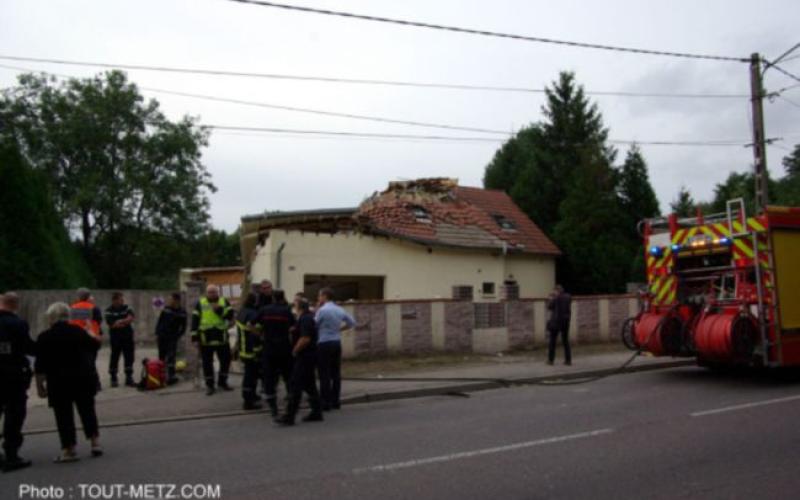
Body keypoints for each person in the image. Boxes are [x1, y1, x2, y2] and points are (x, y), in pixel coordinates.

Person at [35, 302, 103, 463]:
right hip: (83, 378)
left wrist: (40, 387)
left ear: (51, 317)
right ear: (68, 316)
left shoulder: (44, 337)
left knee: (63, 415)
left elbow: (40, 365)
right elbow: (95, 345)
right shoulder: (78, 331)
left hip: (58, 382)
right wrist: (89, 331)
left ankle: (69, 450)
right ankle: (95, 443)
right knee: (87, 410)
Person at [0, 292, 35, 472]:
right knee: (14, 415)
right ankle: (11, 455)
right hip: (13, 375)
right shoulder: (18, 324)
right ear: (15, 305)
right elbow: (28, 348)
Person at [276, 297, 323, 426]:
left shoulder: (306, 318)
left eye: (295, 305)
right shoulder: (304, 318)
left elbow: (305, 338)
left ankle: (289, 416)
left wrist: (295, 350)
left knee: (295, 385)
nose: (293, 307)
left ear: (300, 307)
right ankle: (317, 412)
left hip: (305, 356)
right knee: (309, 385)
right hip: (309, 356)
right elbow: (299, 331)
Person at [315, 288, 355, 411]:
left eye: (319, 296)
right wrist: (340, 329)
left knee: (324, 373)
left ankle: (325, 402)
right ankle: (335, 401)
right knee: (335, 373)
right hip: (336, 342)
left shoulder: (322, 310)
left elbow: (314, 325)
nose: (318, 298)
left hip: (324, 343)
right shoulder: (339, 309)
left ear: (325, 296)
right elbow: (352, 323)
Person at [256, 289, 294, 417]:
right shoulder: (287, 311)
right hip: (284, 348)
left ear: (272, 298)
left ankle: (273, 408)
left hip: (269, 349)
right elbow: (293, 327)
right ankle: (290, 402)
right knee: (288, 375)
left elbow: (251, 324)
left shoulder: (264, 310)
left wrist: (260, 334)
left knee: (269, 378)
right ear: (283, 298)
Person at [191, 285, 234, 396]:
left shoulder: (224, 301)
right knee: (207, 363)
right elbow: (194, 321)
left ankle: (222, 382)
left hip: (221, 337)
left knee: (226, 361)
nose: (212, 294)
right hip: (206, 338)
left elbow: (230, 316)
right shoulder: (200, 303)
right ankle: (210, 386)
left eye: (214, 292)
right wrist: (194, 338)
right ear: (206, 293)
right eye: (210, 292)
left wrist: (220, 311)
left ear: (217, 292)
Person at [69, 288, 103, 390]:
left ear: (79, 296)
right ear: (88, 296)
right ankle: (95, 383)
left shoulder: (72, 308)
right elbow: (98, 323)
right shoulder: (94, 308)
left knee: (78, 362)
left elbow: (70, 323)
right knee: (91, 362)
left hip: (77, 338)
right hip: (92, 338)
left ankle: (82, 383)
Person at [235, 292, 263, 410]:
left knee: (251, 374)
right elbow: (256, 332)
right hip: (252, 349)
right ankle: (248, 402)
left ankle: (252, 396)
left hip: (243, 348)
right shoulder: (253, 314)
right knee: (250, 376)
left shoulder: (242, 311)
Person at [155, 293, 187, 385]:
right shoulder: (166, 309)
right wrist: (157, 333)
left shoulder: (182, 312)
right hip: (162, 336)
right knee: (161, 356)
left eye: (171, 299)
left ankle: (171, 376)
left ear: (176, 300)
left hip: (172, 337)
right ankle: (160, 375)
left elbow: (183, 327)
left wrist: (178, 335)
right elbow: (159, 322)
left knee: (171, 357)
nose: (169, 301)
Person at [105, 292, 136, 387]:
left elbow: (130, 318)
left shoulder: (127, 308)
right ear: (114, 300)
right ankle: (113, 378)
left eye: (122, 299)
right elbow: (112, 324)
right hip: (115, 338)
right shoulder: (108, 310)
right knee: (114, 356)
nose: (122, 301)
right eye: (120, 299)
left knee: (129, 356)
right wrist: (122, 322)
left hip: (127, 337)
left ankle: (129, 377)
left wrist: (120, 321)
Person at [547, 285, 573, 366]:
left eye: (554, 291)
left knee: (552, 342)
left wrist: (551, 298)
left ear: (557, 291)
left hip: (556, 322)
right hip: (565, 322)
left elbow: (549, 307)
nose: (553, 292)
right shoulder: (568, 297)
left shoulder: (556, 298)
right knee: (565, 341)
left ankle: (551, 360)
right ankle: (568, 360)